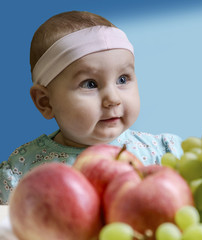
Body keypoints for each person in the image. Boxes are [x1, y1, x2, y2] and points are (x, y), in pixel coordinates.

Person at [0, 11, 182, 204]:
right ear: (45, 101)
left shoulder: (162, 154)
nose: (113, 98)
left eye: (122, 79)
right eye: (90, 84)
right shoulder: (25, 173)